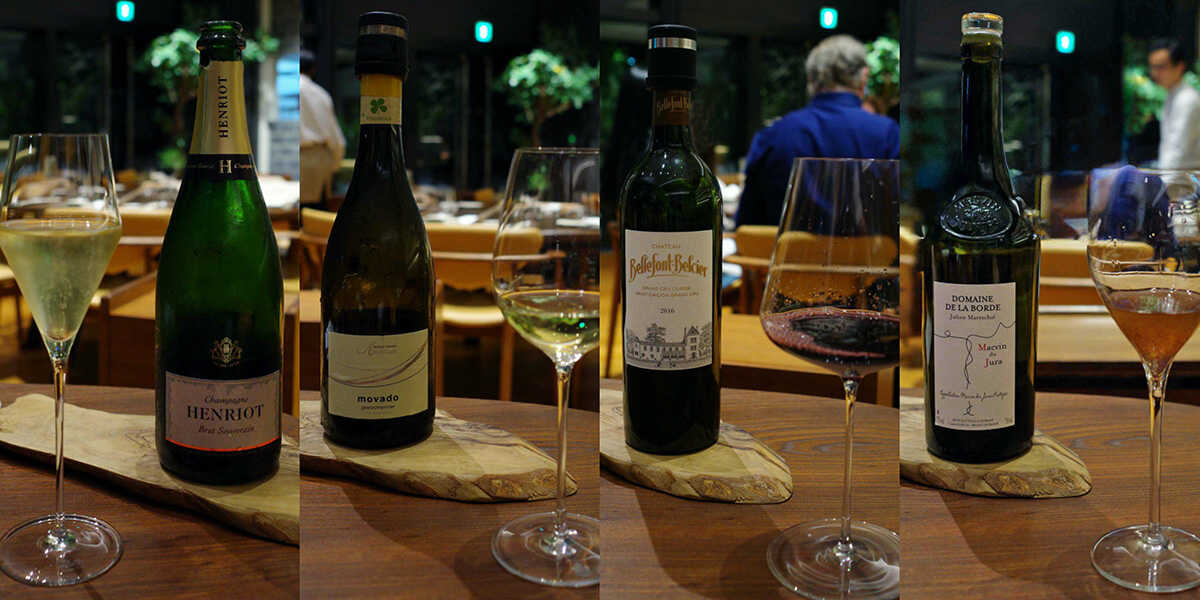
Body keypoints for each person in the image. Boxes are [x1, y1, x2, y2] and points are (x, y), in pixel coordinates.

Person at [735, 35, 899, 227]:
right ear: (864, 78)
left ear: (811, 80)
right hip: (869, 248)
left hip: (784, 247)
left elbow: (747, 224)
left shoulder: (773, 135)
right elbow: (896, 216)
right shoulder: (887, 133)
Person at [300, 49, 345, 209]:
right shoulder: (320, 94)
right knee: (314, 213)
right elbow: (335, 138)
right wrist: (334, 164)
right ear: (313, 69)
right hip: (316, 159)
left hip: (301, 156)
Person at [1149, 39, 1200, 169]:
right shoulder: (1172, 95)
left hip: (1185, 178)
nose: (1154, 73)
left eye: (1161, 67)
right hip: (1175, 175)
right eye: (1152, 67)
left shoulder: (1187, 99)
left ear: (1180, 66)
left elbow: (1177, 152)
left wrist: (1162, 179)